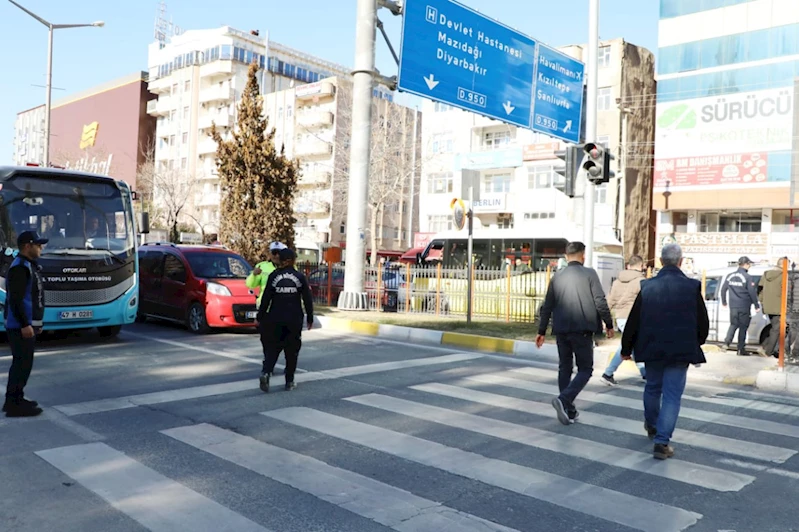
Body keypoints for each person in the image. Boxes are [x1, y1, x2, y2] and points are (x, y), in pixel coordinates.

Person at [621, 243, 708, 460]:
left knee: (652, 388)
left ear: (660, 261)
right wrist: (696, 341)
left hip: (652, 347)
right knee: (671, 396)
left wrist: (626, 348)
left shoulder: (647, 286)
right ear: (680, 261)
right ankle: (661, 442)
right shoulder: (691, 286)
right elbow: (702, 322)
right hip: (680, 349)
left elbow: (634, 321)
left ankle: (652, 425)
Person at [536, 241, 614, 425]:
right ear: (583, 255)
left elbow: (547, 306)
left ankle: (569, 410)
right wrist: (608, 324)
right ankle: (564, 401)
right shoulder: (589, 274)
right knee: (585, 369)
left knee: (565, 367)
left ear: (566, 256)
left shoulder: (558, 277)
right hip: (582, 329)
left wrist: (541, 331)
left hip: (561, 329)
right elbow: (600, 301)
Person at [256, 248, 314, 393]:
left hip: (275, 318)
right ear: (291, 260)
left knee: (273, 348)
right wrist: (310, 317)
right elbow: (307, 299)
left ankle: (266, 372)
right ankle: (289, 381)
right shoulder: (299, 277)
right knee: (291, 351)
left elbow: (266, 299)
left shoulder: (273, 276)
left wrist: (260, 317)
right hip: (293, 319)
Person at [3, 231, 47, 417]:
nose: (41, 247)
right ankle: (14, 404)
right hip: (19, 326)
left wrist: (36, 322)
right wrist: (24, 324)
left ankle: (15, 399)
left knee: (24, 364)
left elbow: (34, 297)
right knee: (21, 364)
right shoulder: (20, 267)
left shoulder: (28, 265)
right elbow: (16, 299)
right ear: (27, 247)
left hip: (27, 324)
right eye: (38, 244)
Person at [600, 255, 647, 385]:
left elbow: (609, 301)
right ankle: (608, 373)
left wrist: (605, 320)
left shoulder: (617, 281)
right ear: (641, 266)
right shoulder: (641, 281)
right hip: (635, 318)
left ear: (628, 266)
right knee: (627, 345)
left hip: (620, 317)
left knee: (632, 345)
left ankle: (645, 374)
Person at [720, 256, 760, 356]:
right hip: (744, 305)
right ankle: (740, 349)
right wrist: (756, 305)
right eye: (749, 264)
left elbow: (723, 289)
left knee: (733, 325)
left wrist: (724, 302)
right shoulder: (747, 277)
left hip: (733, 305)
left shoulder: (730, 275)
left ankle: (726, 343)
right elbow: (752, 292)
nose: (750, 266)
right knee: (743, 327)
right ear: (745, 264)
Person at [759, 257, 788, 358]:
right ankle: (767, 351)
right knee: (777, 328)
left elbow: (760, 290)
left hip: (768, 306)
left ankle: (764, 347)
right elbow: (785, 292)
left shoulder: (766, 274)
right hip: (779, 306)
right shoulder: (783, 276)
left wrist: (762, 302)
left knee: (774, 327)